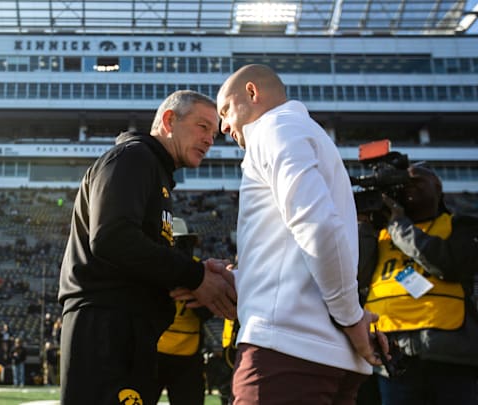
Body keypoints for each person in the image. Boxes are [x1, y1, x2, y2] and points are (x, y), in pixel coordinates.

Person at [215, 64, 387, 404]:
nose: (223, 126)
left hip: (288, 352)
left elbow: (318, 226)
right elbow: (304, 246)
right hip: (321, 352)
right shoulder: (302, 133)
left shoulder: (272, 128)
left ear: (252, 93)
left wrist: (351, 318)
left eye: (225, 111)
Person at [59, 89, 236, 405]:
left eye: (214, 131)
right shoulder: (134, 158)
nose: (211, 139)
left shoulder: (156, 172)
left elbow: (143, 257)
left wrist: (195, 274)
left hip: (131, 329)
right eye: (203, 126)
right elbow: (112, 238)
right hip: (106, 329)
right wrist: (194, 275)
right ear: (169, 120)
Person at [358, 164, 478, 404]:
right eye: (403, 184)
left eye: (418, 180)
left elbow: (451, 265)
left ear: (438, 189)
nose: (409, 186)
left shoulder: (459, 225)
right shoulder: (380, 233)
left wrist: (399, 226)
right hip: (392, 354)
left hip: (448, 354)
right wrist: (364, 227)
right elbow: (356, 276)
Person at [144, 217, 214, 405]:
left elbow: (208, 312)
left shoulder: (200, 269)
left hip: (186, 356)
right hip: (153, 353)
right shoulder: (149, 268)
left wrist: (194, 287)